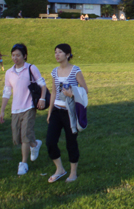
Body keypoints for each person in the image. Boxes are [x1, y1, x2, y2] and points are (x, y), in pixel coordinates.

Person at [0, 43, 46, 175]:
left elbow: (42, 84)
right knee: (17, 137)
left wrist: (42, 99)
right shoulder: (9, 73)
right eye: (13, 55)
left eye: (18, 55)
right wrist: (2, 110)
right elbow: (6, 92)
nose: (15, 58)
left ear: (24, 56)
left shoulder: (31, 68)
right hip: (15, 109)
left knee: (25, 135)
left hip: (29, 106)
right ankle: (35, 144)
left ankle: (23, 164)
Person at [46, 44, 88, 183]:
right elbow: (53, 92)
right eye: (55, 52)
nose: (57, 55)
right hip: (57, 111)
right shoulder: (54, 71)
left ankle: (73, 173)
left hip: (70, 112)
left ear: (68, 55)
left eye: (60, 52)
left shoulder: (75, 70)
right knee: (50, 141)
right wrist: (50, 112)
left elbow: (85, 90)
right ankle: (60, 169)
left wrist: (72, 94)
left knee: (71, 143)